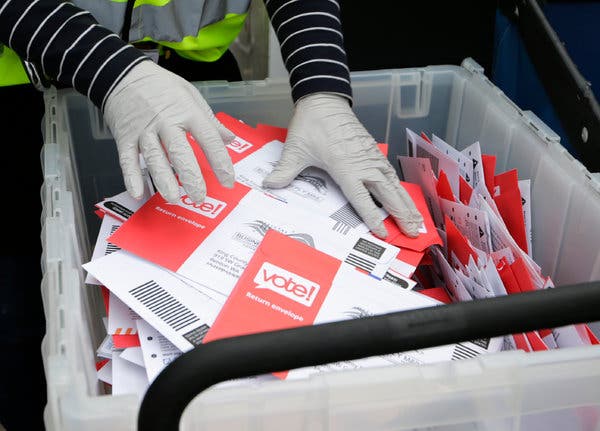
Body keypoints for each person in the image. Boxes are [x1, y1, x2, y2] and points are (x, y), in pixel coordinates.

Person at [0, 0, 423, 428]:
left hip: (187, 87)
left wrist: (322, 86)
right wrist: (106, 66)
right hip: (25, 79)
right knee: (28, 319)